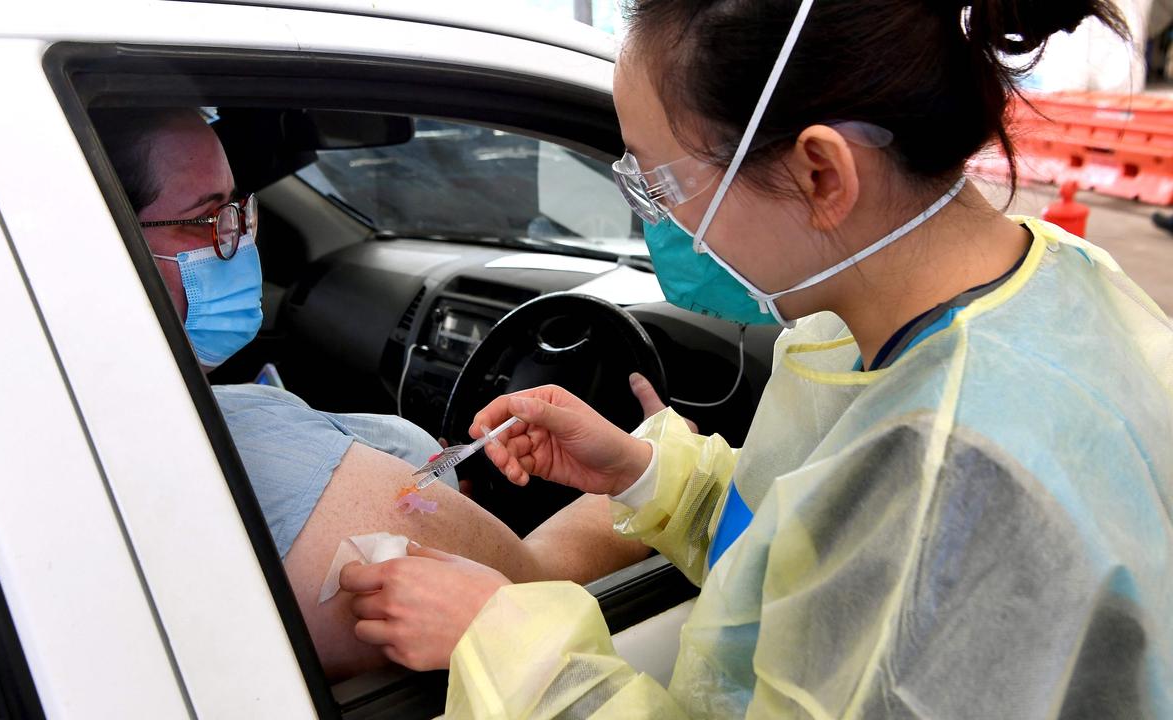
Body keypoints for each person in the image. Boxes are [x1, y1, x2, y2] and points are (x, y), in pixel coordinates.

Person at [339, 0, 1173, 716]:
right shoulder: (997, 291)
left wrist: (500, 639)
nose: (655, 224)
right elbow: (814, 550)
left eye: (659, 187)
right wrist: (643, 473)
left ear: (820, 173)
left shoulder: (959, 477)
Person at [89, 107, 652, 679]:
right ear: (106, 246)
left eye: (238, 208)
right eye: (204, 220)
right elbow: (533, 591)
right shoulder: (245, 448)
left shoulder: (96, 420)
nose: (235, 238)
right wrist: (651, 473)